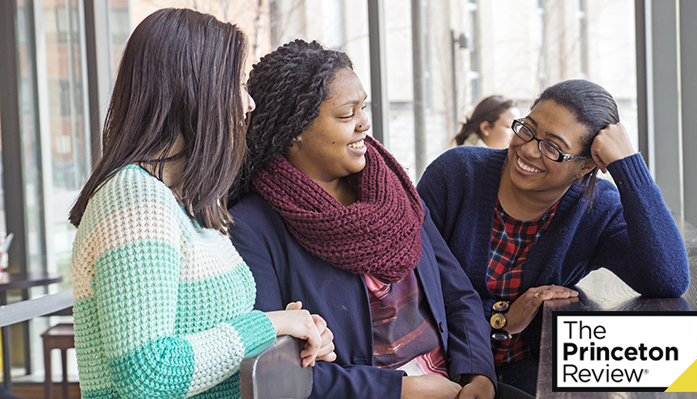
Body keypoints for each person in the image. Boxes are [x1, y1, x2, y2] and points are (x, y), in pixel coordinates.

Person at [68, 9, 334, 398]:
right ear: (196, 91)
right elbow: (149, 373)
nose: (249, 103)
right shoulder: (134, 199)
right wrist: (268, 325)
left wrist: (291, 332)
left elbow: (214, 346)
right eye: (238, 84)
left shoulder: (188, 205)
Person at [228, 39, 498, 399]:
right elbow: (280, 371)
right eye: (346, 114)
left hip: (453, 383)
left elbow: (458, 294)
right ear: (294, 130)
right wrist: (401, 391)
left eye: (363, 108)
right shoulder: (251, 227)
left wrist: (478, 371)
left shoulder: (396, 190)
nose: (364, 123)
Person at [417, 79, 690, 395]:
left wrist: (627, 165)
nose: (529, 149)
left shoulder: (596, 208)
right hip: (439, 370)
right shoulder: (456, 174)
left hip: (530, 371)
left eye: (552, 147)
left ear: (585, 166)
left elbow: (667, 279)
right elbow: (410, 286)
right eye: (526, 129)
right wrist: (500, 318)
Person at [454, 95, 519, 149]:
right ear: (485, 128)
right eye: (509, 126)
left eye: (517, 126)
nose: (515, 133)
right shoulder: (466, 160)